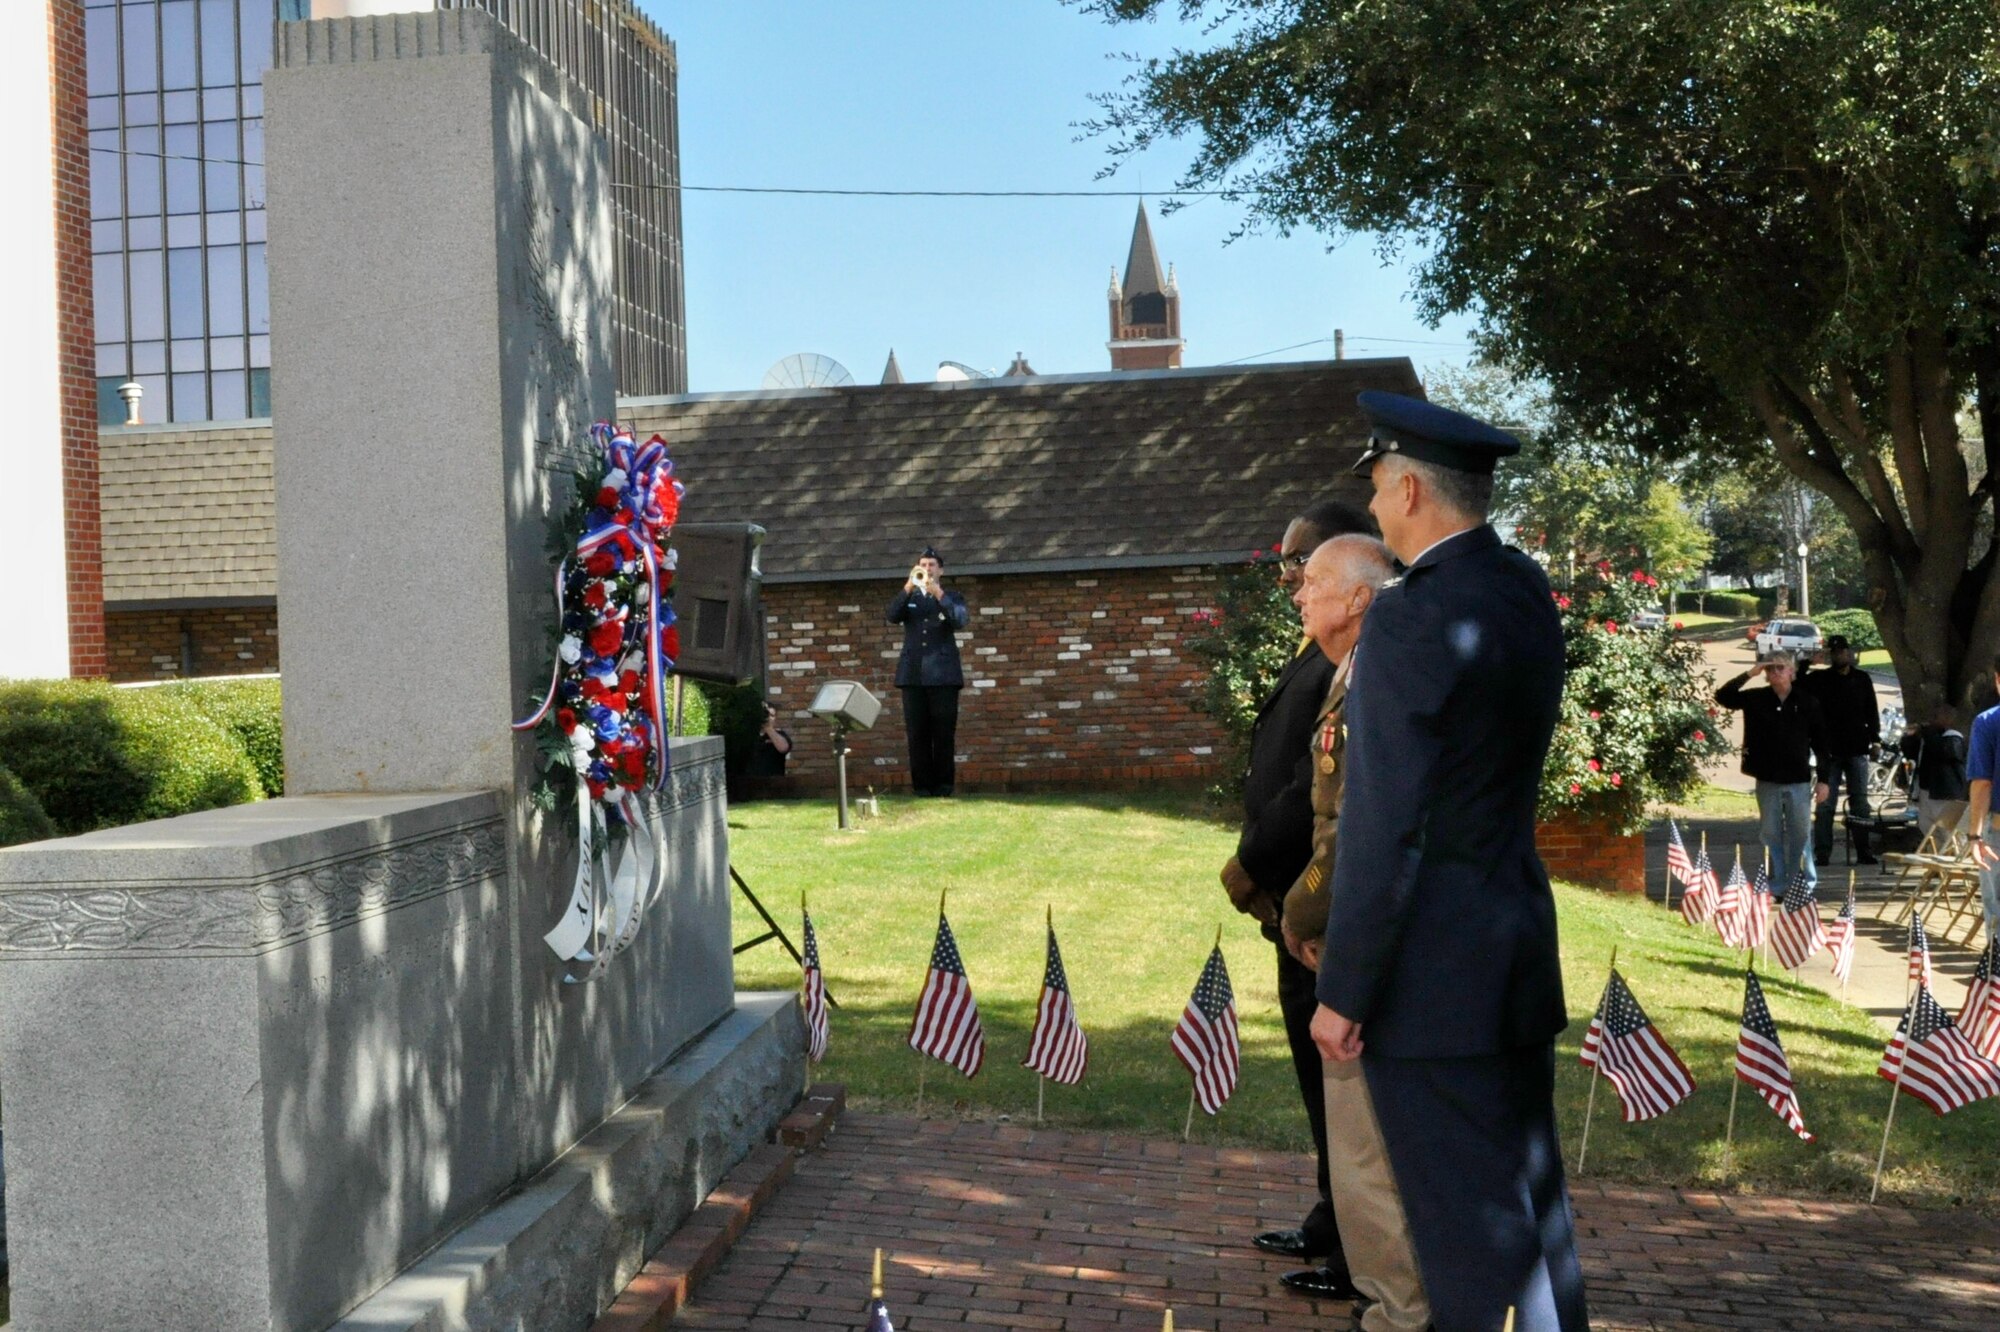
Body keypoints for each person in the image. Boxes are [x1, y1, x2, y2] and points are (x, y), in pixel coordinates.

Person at [1312, 390, 1588, 1332]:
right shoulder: (1520, 589)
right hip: (1510, 947)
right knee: (1533, 1226)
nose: (1379, 511)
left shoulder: (1408, 617)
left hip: (1434, 979)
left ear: (1415, 489)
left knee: (1469, 1247)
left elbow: (1387, 820)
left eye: (1383, 489)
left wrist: (1345, 989)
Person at [1218, 497, 1372, 1302]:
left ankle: (1354, 1252)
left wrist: (1249, 862)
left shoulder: (1346, 665)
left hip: (1317, 905)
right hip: (1296, 903)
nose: (1291, 585)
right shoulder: (1322, 651)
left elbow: (1311, 794)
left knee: (1339, 1093)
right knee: (1323, 1095)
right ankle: (1330, 1218)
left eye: (1301, 569)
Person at [1282, 534, 1426, 1332]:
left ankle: (1397, 1313)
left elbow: (1350, 830)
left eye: (1312, 583)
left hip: (1361, 937)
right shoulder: (1352, 670)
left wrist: (1301, 913)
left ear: (1358, 598)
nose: (1300, 598)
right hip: (1358, 928)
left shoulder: (1372, 677)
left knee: (1367, 1151)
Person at [1716, 655, 1832, 891]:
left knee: (1801, 833)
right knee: (1771, 833)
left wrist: (1824, 781)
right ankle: (1777, 884)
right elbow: (1723, 697)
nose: (1776, 672)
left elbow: (1822, 744)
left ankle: (1803, 884)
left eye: (1781, 668)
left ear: (1792, 672)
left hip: (1798, 779)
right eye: (1771, 669)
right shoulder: (1757, 698)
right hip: (1767, 777)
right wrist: (1750, 673)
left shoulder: (1807, 702)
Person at [887, 546, 968, 796]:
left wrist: (938, 594)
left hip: (943, 676)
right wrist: (908, 587)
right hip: (912, 676)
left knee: (943, 734)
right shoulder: (910, 597)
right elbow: (892, 615)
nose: (927, 569)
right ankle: (921, 787)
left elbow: (959, 620)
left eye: (931, 565)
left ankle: (944, 786)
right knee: (917, 734)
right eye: (923, 564)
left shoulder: (952, 597)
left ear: (940, 570)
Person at [1801, 635, 1882, 864]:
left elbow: (1871, 710)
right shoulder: (1819, 679)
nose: (1840, 655)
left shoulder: (1862, 679)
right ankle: (1823, 852)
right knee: (1826, 804)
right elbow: (1797, 683)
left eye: (1843, 651)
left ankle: (1864, 851)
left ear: (1849, 653)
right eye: (1835, 652)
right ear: (1830, 655)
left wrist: (1875, 740)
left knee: (1860, 804)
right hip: (1829, 751)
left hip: (1857, 748)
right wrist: (1807, 663)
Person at [1962, 658, 2000, 927]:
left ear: (1998, 680)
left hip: (1998, 833)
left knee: (1997, 913)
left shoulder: (1988, 722)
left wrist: (1974, 836)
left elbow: (1982, 783)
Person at [1900, 705, 1968, 838]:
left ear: (1948, 719)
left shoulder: (1953, 737)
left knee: (1948, 831)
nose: (1932, 720)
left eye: (1936, 717)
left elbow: (1946, 752)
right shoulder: (1929, 738)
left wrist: (1927, 733)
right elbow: (1910, 753)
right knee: (1926, 826)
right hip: (1925, 790)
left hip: (1944, 793)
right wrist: (1910, 737)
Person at [747, 704, 793, 779]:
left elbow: (783, 748)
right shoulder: (749, 735)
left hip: (772, 784)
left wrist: (768, 727)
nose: (768, 718)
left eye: (771, 715)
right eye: (766, 715)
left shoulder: (780, 735)